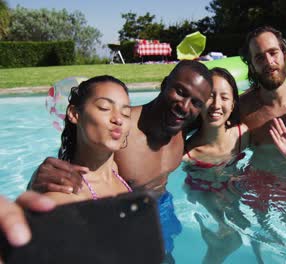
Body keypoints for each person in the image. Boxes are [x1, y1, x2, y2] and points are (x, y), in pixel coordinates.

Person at [29, 60, 214, 260]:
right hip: (121, 214)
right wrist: (36, 182)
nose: (185, 107)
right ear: (165, 84)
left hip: (161, 206)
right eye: (180, 92)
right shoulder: (119, 132)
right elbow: (78, 160)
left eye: (196, 103)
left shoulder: (182, 126)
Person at [182, 67, 249, 263]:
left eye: (225, 97)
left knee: (237, 233)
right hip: (204, 199)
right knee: (227, 239)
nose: (217, 105)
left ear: (234, 103)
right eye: (210, 96)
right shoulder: (187, 153)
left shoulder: (243, 136)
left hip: (234, 197)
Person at [42, 75, 132, 204]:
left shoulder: (115, 170)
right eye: (104, 108)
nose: (118, 119)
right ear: (74, 114)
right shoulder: (63, 195)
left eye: (126, 113)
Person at [239, 26, 286, 146]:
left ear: (285, 56)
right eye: (259, 58)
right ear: (252, 67)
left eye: (273, 53)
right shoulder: (240, 109)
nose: (269, 62)